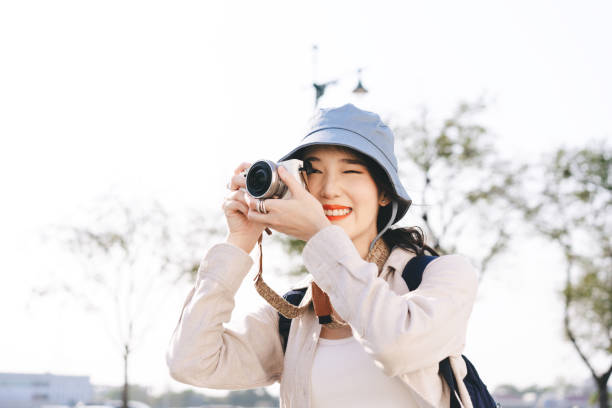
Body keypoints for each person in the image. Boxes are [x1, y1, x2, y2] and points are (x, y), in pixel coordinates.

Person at [165, 104, 479, 408]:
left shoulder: (442, 276)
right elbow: (190, 363)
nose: (329, 189)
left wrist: (319, 233)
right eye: (313, 171)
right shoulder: (294, 314)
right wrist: (239, 241)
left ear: (384, 193)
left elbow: (395, 346)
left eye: (351, 171)